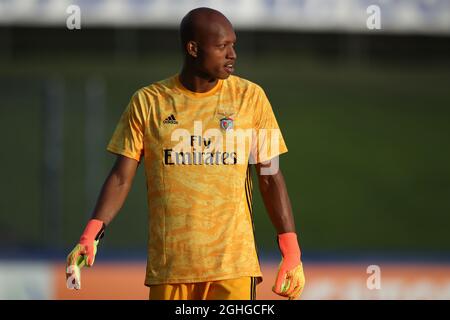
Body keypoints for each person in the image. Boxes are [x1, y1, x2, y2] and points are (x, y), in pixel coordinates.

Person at [66, 7, 305, 300]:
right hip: (170, 269)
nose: (233, 55)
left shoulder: (252, 98)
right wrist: (89, 236)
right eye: (222, 46)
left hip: (233, 268)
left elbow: (270, 175)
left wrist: (291, 251)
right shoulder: (148, 102)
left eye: (234, 45)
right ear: (193, 48)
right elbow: (120, 177)